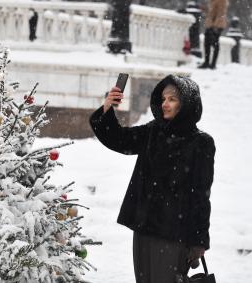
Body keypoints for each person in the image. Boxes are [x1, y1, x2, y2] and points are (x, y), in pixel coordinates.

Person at [89, 74, 216, 283]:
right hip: (143, 229)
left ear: (187, 103)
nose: (165, 104)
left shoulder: (201, 143)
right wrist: (106, 108)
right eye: (164, 99)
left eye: (172, 99)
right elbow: (119, 140)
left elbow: (201, 195)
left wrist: (198, 241)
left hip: (175, 234)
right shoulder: (153, 131)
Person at [198, 0, 229, 69]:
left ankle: (212, 64)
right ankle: (207, 62)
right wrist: (205, 9)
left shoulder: (221, 1)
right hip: (211, 24)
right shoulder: (213, 1)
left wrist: (215, 26)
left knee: (214, 43)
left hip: (217, 24)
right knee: (208, 43)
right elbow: (212, 12)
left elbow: (221, 13)